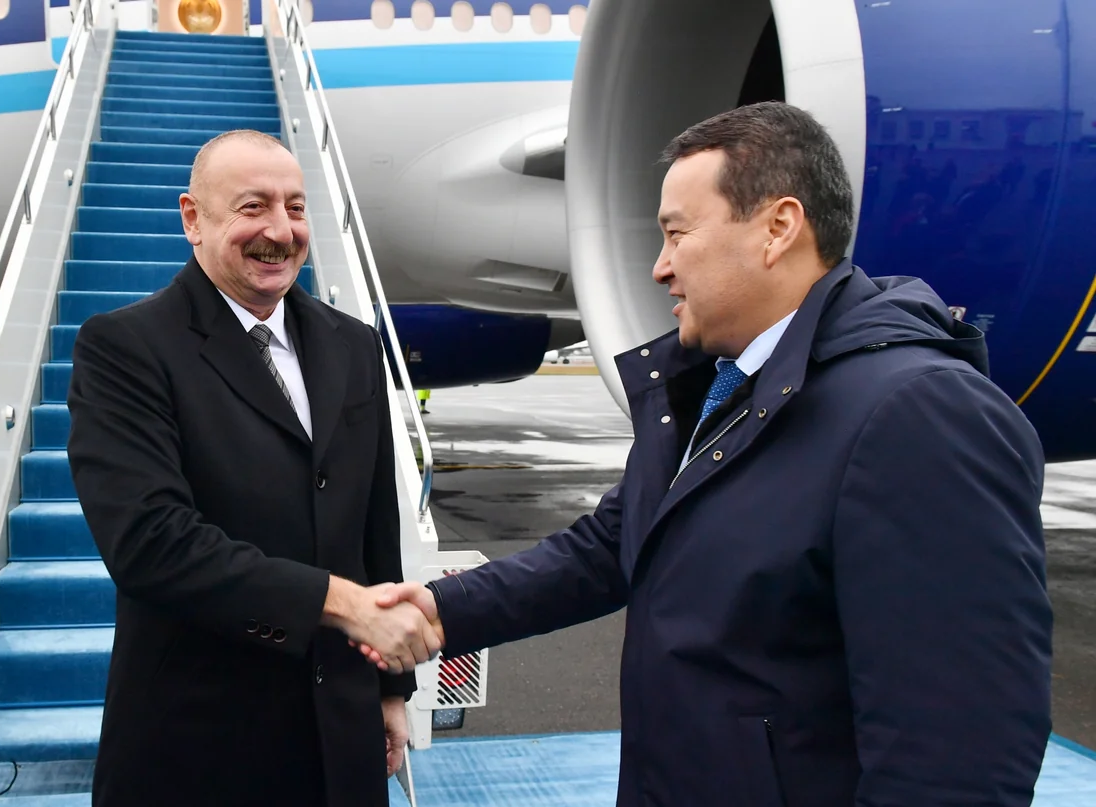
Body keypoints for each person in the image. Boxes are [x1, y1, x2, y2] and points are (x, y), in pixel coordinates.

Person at [355, 103, 1053, 805]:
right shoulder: (723, 389)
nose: (660, 267)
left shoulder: (918, 414)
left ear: (778, 228)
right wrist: (443, 609)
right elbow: (611, 546)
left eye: (677, 233)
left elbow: (956, 753)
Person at [66, 129, 441, 807]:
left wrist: (390, 689)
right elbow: (151, 543)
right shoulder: (125, 348)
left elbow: (374, 529)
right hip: (201, 747)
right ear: (193, 219)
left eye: (295, 208)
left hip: (341, 735)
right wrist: (343, 604)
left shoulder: (354, 344)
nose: (280, 231)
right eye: (253, 207)